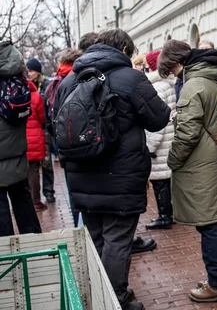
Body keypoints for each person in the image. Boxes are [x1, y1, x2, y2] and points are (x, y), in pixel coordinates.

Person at [54, 29, 171, 310]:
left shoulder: (69, 80)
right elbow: (158, 118)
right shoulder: (131, 78)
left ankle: (97, 296)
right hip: (123, 175)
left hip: (82, 175)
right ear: (124, 50)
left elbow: (56, 124)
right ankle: (114, 300)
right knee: (118, 238)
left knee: (95, 237)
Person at [158, 40, 217, 303]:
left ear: (177, 63)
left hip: (201, 166)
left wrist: (173, 159)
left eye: (171, 70)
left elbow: (187, 132)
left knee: (208, 224)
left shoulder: (193, 85)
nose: (172, 76)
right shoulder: (213, 78)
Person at [0, 41, 42, 237]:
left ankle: (7, 259)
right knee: (23, 202)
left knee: (1, 212)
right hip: (17, 153)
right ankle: (36, 249)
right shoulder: (17, 77)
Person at [44, 48, 83, 225]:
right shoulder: (82, 78)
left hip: (65, 146)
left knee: (73, 191)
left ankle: (78, 229)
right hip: (86, 143)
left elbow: (49, 120)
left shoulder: (54, 84)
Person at [143, 50, 176, 230]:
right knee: (166, 181)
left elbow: (157, 121)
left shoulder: (157, 88)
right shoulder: (167, 84)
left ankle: (165, 216)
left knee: (160, 181)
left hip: (160, 143)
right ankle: (170, 213)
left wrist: (150, 146)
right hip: (169, 140)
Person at [26, 58, 55, 204]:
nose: (29, 73)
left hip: (45, 129)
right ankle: (36, 196)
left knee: (47, 163)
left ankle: (49, 192)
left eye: (31, 70)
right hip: (36, 129)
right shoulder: (28, 86)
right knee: (34, 166)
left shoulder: (47, 84)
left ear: (37, 71)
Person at [25, 80, 48, 211]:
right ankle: (36, 201)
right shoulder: (35, 95)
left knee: (21, 171)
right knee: (33, 170)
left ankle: (25, 202)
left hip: (18, 138)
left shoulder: (10, 92)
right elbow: (42, 118)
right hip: (34, 137)